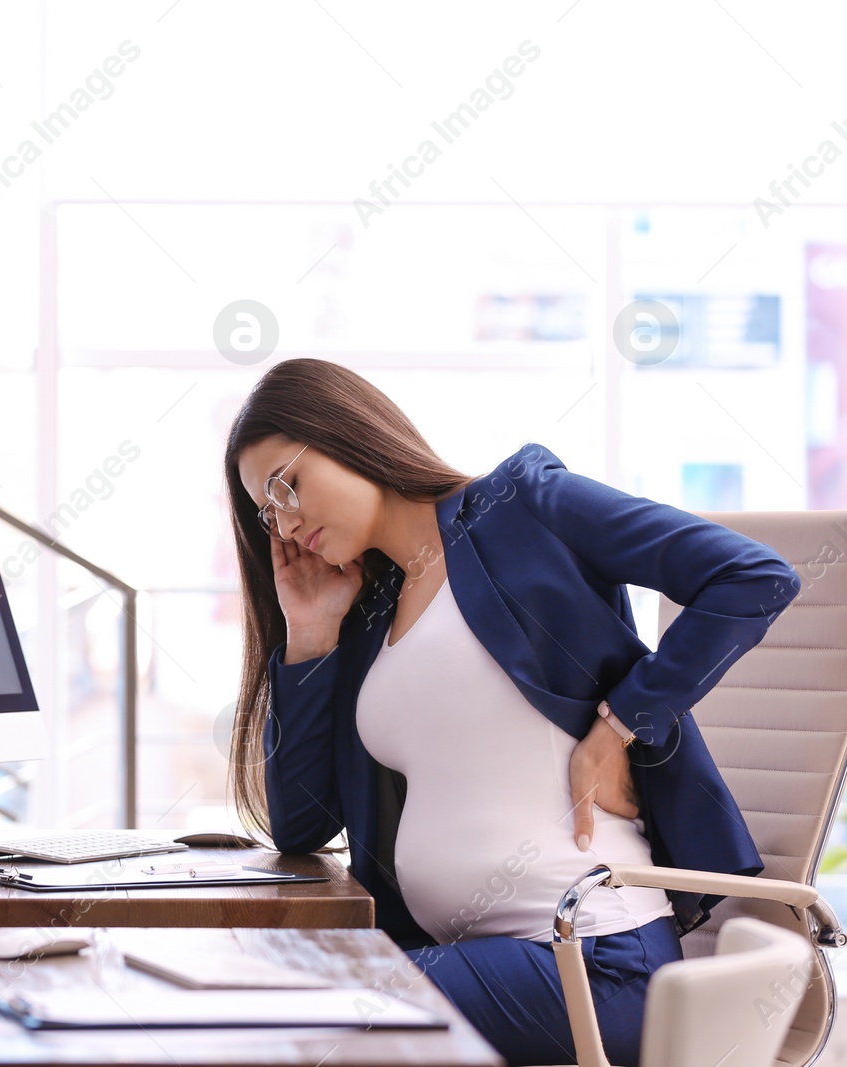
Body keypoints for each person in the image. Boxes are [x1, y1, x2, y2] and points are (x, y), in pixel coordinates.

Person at [224, 359, 800, 1066]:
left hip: (593, 959)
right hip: (474, 960)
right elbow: (302, 824)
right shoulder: (370, 617)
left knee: (312, 1016)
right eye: (265, 509)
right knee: (284, 1000)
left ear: (349, 435)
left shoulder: (520, 504)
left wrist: (620, 723)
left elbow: (752, 577)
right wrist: (310, 635)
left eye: (286, 484)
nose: (282, 521)